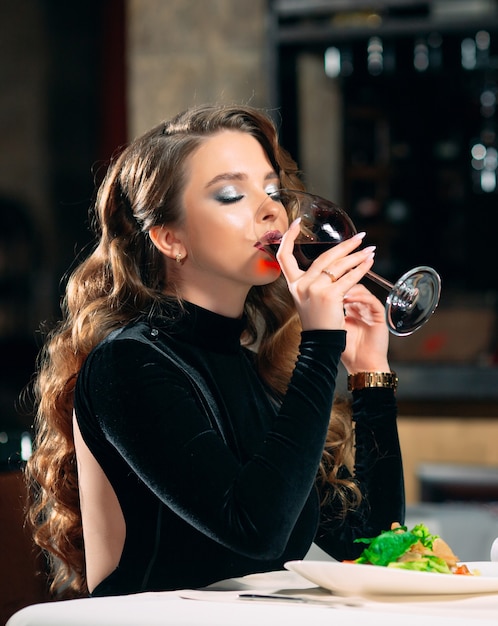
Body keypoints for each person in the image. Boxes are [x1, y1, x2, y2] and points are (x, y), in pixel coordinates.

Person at [26, 103, 404, 599]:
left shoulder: (259, 365)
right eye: (230, 195)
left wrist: (369, 372)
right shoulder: (128, 365)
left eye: (272, 190)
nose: (272, 209)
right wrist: (320, 343)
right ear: (169, 238)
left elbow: (375, 545)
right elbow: (254, 531)